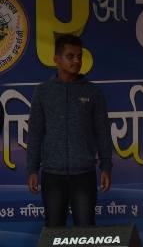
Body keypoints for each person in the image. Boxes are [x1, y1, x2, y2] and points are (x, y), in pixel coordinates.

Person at [26, 34, 112, 227]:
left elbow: (102, 132)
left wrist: (106, 166)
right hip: (52, 175)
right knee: (54, 232)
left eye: (79, 56)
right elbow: (35, 133)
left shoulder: (93, 92)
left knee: (86, 232)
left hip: (84, 174)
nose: (76, 61)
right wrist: (32, 169)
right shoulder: (43, 92)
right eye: (70, 56)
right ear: (56, 59)